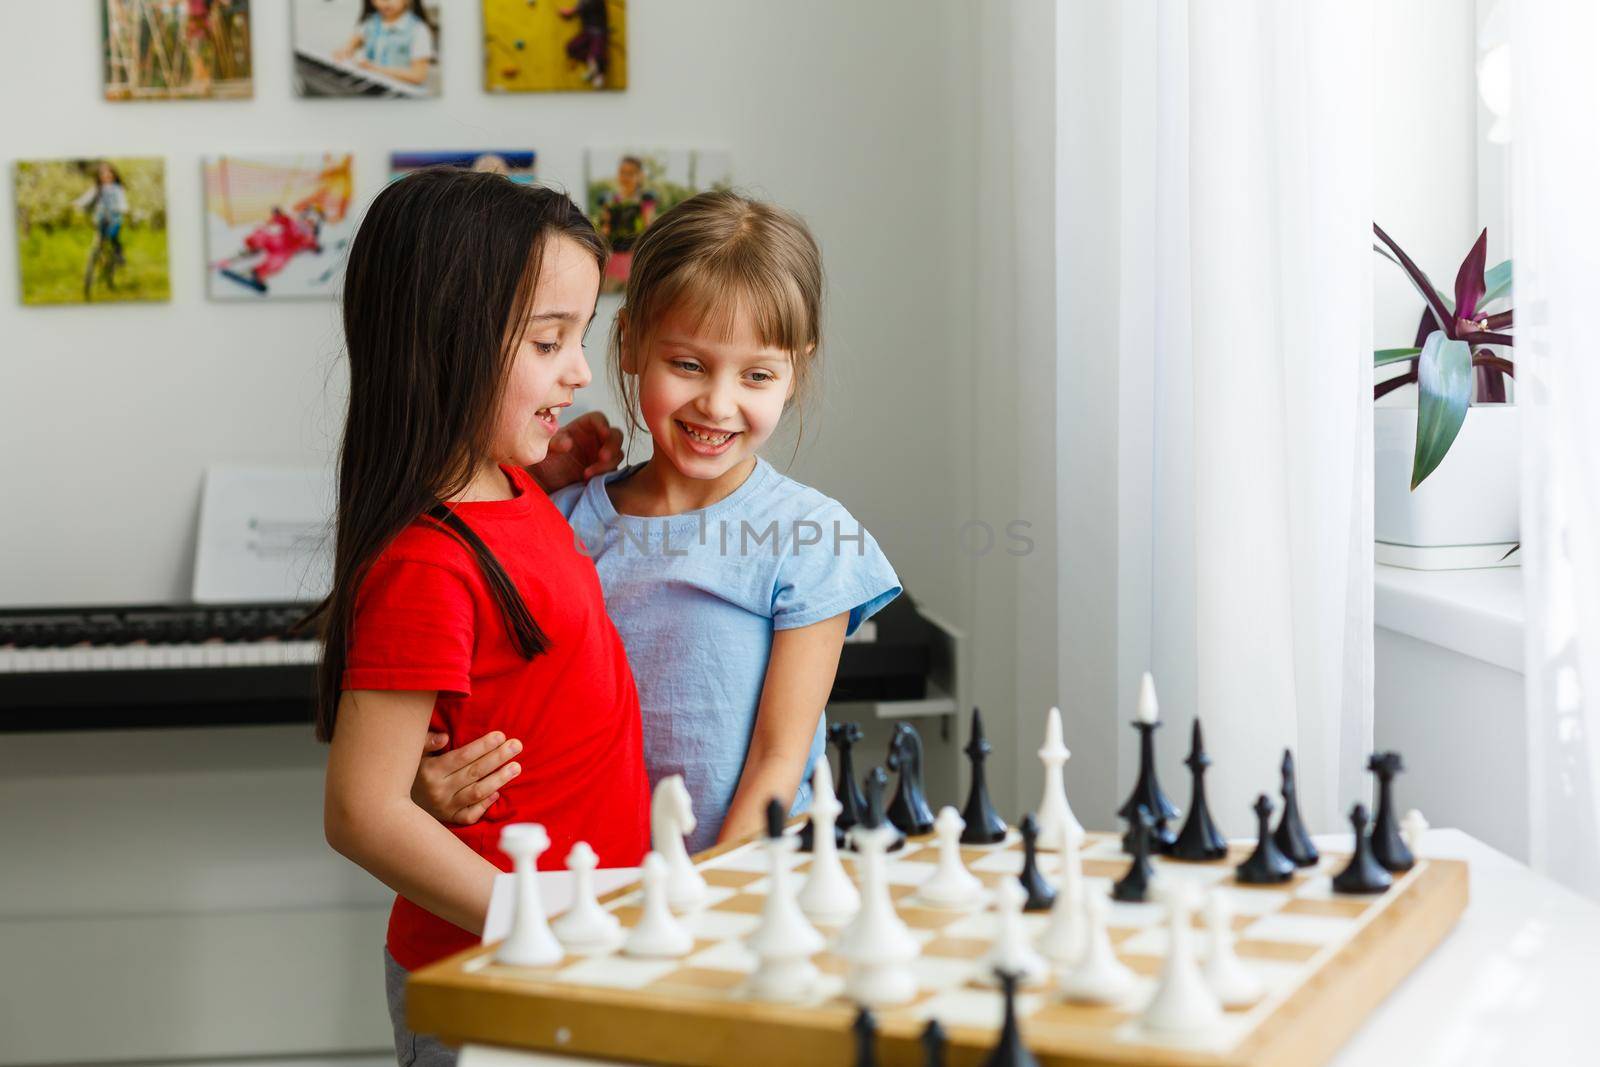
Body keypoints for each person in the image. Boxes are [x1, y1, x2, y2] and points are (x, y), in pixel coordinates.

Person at [419, 191, 900, 852]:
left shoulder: (809, 536)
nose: (718, 402)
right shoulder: (556, 517)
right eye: (688, 364)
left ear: (795, 373)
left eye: (757, 374)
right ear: (630, 344)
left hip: (736, 896)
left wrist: (705, 902)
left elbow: (778, 763)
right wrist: (424, 781)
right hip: (581, 888)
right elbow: (442, 664)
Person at [315, 167, 646, 1067]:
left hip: (571, 942)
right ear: (449, 342)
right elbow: (360, 810)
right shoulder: (426, 561)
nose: (580, 371)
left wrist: (547, 466)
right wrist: (541, 921)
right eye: (551, 342)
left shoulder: (501, 487)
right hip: (501, 965)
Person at [333, 0, 437, 87]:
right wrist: (345, 50)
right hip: (373, 86)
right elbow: (354, 42)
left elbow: (418, 76)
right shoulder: (371, 22)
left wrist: (375, 69)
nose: (384, 2)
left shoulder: (418, 30)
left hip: (403, 93)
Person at [593, 156, 658, 293]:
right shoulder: (611, 199)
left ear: (639, 175)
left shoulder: (645, 199)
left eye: (630, 173)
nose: (625, 177)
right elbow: (606, 228)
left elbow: (648, 226)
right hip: (613, 258)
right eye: (622, 172)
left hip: (634, 257)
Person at [75, 162, 129, 269]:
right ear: (99, 177)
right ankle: (98, 254)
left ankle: (119, 255)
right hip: (100, 216)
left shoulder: (117, 189)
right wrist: (78, 202)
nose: (106, 176)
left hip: (114, 216)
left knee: (114, 236)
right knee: (100, 235)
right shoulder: (97, 188)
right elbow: (87, 197)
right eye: (103, 174)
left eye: (109, 174)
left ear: (114, 175)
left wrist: (123, 208)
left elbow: (122, 200)